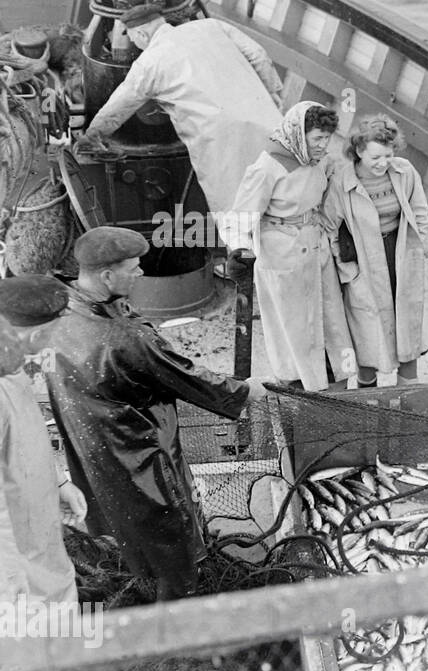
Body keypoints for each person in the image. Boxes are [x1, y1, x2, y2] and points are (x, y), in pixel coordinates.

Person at [42, 228, 265, 601]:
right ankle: (176, 618)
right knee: (170, 529)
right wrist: (248, 392)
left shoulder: (62, 303)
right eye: (134, 267)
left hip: (89, 446)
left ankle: (147, 574)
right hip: (137, 452)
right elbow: (189, 377)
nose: (142, 273)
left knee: (122, 521)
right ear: (108, 276)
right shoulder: (128, 339)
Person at [0, 275, 92, 671]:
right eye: (43, 335)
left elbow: (26, 432)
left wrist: (56, 481)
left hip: (40, 558)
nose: (47, 346)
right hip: (15, 582)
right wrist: (14, 606)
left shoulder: (9, 368)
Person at [71, 3, 283, 214]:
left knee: (238, 210)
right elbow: (259, 55)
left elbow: (118, 107)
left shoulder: (150, 62)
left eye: (133, 38)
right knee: (284, 193)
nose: (134, 43)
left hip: (221, 142)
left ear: (143, 33)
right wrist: (272, 95)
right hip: (267, 121)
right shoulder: (212, 26)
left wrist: (93, 134)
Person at [226, 101, 354, 391]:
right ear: (299, 134)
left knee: (328, 315)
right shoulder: (268, 167)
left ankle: (333, 379)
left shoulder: (320, 160)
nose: (324, 145)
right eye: (318, 139)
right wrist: (239, 249)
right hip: (282, 251)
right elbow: (240, 217)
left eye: (327, 138)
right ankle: (296, 384)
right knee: (292, 325)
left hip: (315, 244)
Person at [321, 115, 428, 387]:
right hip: (363, 260)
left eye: (388, 154)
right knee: (366, 326)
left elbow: (419, 211)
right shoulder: (341, 181)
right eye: (375, 157)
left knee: (405, 319)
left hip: (400, 253)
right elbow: (329, 226)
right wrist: (347, 268)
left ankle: (408, 393)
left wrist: (420, 247)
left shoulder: (404, 171)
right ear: (358, 151)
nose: (383, 163)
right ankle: (366, 392)